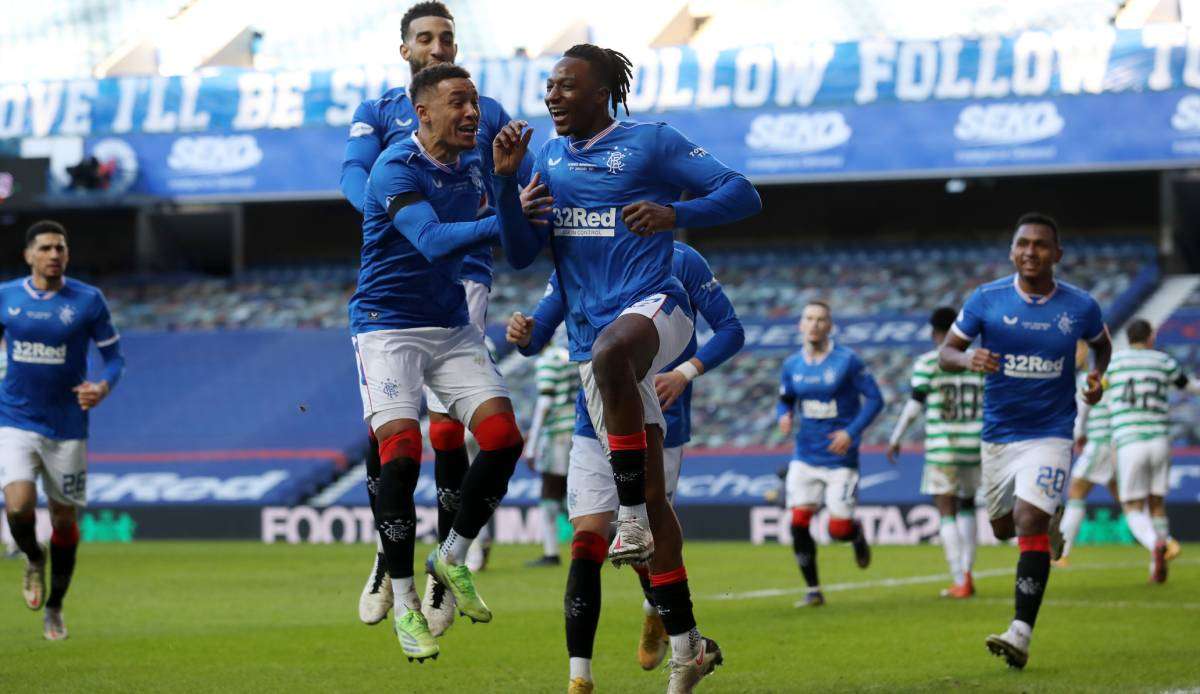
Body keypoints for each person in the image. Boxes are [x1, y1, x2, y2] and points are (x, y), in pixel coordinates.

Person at [491, 43, 760, 692]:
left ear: (605, 92)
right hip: (591, 345)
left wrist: (677, 214)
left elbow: (744, 194)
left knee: (616, 356)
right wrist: (505, 183)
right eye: (549, 86)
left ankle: (630, 517)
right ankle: (688, 647)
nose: (553, 95)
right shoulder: (546, 161)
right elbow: (526, 254)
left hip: (653, 307)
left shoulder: (650, 142)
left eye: (567, 86)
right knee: (660, 524)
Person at [339, 0, 531, 633]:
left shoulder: (481, 113)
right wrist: (385, 209)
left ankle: (447, 561)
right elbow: (356, 175)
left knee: (457, 433)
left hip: (461, 285)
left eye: (448, 36)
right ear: (407, 50)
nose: (440, 45)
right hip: (395, 290)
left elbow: (522, 187)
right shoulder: (384, 124)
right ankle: (389, 561)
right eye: (427, 37)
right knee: (396, 445)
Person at [508, 241, 744, 692]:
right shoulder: (579, 252)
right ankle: (580, 677)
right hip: (590, 417)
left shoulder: (682, 259)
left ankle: (662, 615)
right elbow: (536, 338)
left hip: (662, 415)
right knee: (587, 536)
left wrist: (685, 371)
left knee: (649, 528)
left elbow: (731, 329)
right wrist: (524, 334)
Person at [939, 212, 1111, 670]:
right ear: (1012, 251)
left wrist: (1097, 377)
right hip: (998, 435)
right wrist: (968, 356)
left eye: (1040, 244)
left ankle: (1021, 633)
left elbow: (1103, 345)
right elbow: (946, 353)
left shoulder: (1079, 305)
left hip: (1051, 432)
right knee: (1001, 528)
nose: (1030, 251)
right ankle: (1047, 525)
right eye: (1023, 244)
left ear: (1057, 254)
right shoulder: (986, 299)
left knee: (1027, 518)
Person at [0, 220, 125, 641]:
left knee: (64, 519)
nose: (55, 255)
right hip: (15, 418)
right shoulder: (6, 297)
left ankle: (55, 606)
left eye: (61, 248)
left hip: (68, 424)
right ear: (29, 255)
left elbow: (114, 359)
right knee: (17, 506)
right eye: (47, 248)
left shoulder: (88, 301)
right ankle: (34, 558)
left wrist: (102, 386)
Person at [778, 301, 884, 607]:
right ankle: (813, 590)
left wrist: (851, 432)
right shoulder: (792, 365)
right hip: (805, 455)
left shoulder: (848, 361)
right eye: (809, 318)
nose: (814, 324)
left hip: (840, 458)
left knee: (838, 530)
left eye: (821, 319)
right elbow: (785, 398)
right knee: (798, 520)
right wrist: (783, 414)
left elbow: (876, 399)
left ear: (830, 326)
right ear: (800, 324)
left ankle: (856, 534)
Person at [888, 306, 983, 598]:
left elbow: (915, 405)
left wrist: (896, 437)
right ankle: (968, 572)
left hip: (944, 447)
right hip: (976, 445)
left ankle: (959, 577)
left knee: (946, 512)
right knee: (967, 506)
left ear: (934, 333)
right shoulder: (977, 362)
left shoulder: (929, 362)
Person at [1106, 318, 1199, 582]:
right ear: (1150, 337)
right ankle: (1156, 565)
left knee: (1132, 505)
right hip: (1159, 439)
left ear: (1127, 337)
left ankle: (1158, 544)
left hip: (1129, 440)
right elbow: (1189, 386)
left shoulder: (1115, 363)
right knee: (1157, 502)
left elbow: (1095, 391)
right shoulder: (1163, 361)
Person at [1055, 341, 1120, 567]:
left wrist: (1078, 435)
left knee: (1075, 492)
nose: (1075, 353)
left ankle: (1062, 553)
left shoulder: (1087, 378)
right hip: (1117, 443)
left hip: (1100, 443)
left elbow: (1082, 412)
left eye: (1078, 349)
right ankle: (1161, 543)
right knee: (1127, 500)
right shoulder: (1111, 375)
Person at [523, 338, 578, 567]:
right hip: (577, 430)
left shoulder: (547, 360)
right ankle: (603, 537)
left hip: (557, 434)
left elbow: (545, 403)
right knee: (571, 492)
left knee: (550, 491)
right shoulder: (567, 356)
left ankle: (550, 552)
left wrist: (531, 445)